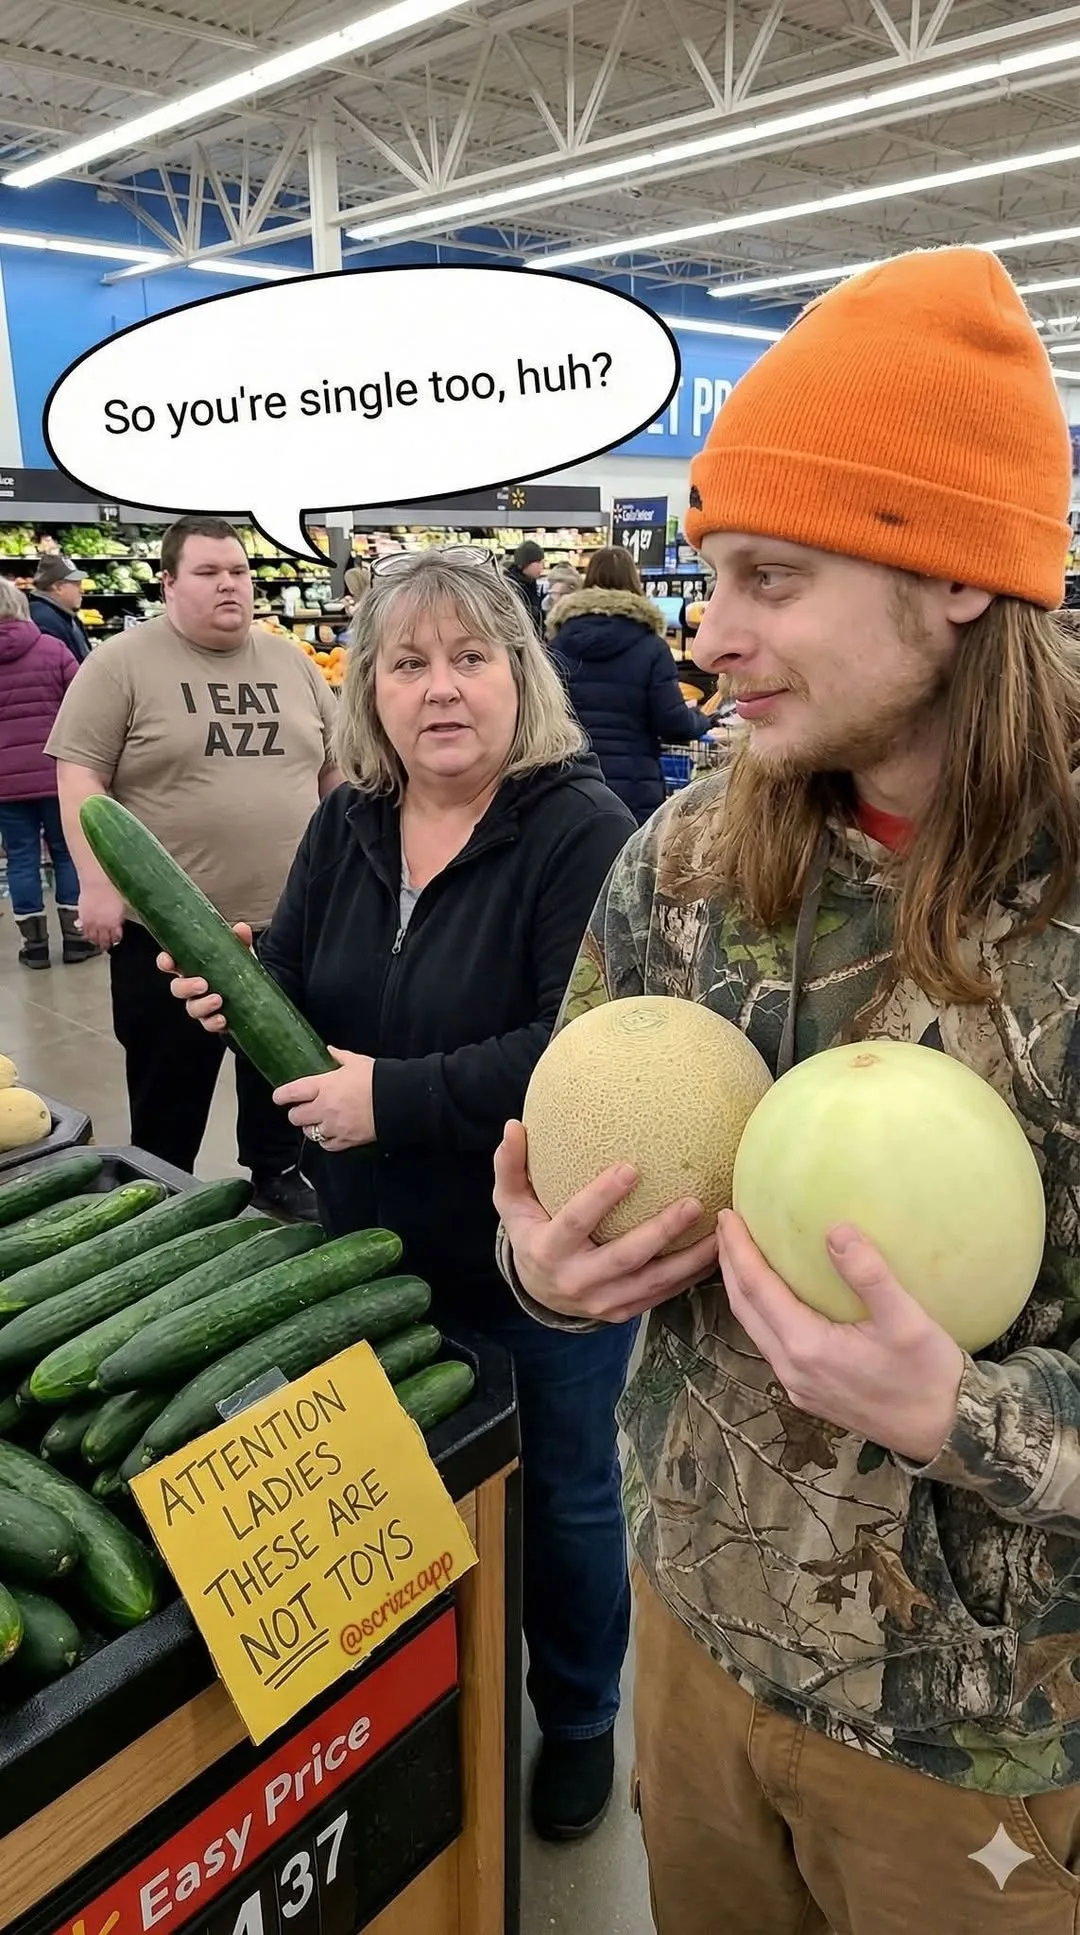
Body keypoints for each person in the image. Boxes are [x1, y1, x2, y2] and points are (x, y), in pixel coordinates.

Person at [494, 247, 1080, 1934]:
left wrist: (963, 1411)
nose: (709, 634)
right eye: (712, 571)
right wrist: (547, 1265)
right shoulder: (682, 856)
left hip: (982, 1740)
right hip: (696, 1642)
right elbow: (565, 1182)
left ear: (953, 575)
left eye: (771, 577)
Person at [161, 547, 636, 1841]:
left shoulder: (581, 830)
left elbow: (576, 1047)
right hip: (368, 1236)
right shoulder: (351, 822)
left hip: (538, 1250)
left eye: (471, 657)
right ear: (368, 687)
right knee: (409, 1479)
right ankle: (436, 1697)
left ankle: (579, 1714)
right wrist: (238, 986)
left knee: (566, 1495)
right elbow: (298, 979)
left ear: (519, 674)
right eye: (409, 662)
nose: (441, 689)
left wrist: (396, 1097)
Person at [48, 513, 340, 1215]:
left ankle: (277, 1171)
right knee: (168, 1079)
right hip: (168, 934)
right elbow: (80, 776)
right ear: (169, 583)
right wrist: (96, 880)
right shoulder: (119, 664)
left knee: (283, 1065)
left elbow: (336, 775)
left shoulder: (293, 663)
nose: (229, 584)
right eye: (208, 572)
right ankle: (160, 1186)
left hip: (290, 922)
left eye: (238, 571)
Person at [548, 546, 712, 823]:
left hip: (571, 781)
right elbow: (673, 723)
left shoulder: (558, 644)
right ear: (634, 582)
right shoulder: (651, 646)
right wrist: (702, 719)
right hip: (635, 788)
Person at [0, 577, 96, 969]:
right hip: (56, 773)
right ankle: (76, 939)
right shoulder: (53, 649)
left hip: (5, 783)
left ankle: (34, 946)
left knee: (21, 857)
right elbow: (85, 704)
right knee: (66, 852)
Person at [28, 558, 90, 664]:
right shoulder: (45, 620)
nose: (82, 590)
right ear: (58, 587)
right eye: (77, 584)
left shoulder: (62, 614)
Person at [506, 540, 546, 636]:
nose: (542, 566)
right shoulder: (511, 586)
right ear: (525, 564)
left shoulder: (531, 583)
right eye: (538, 562)